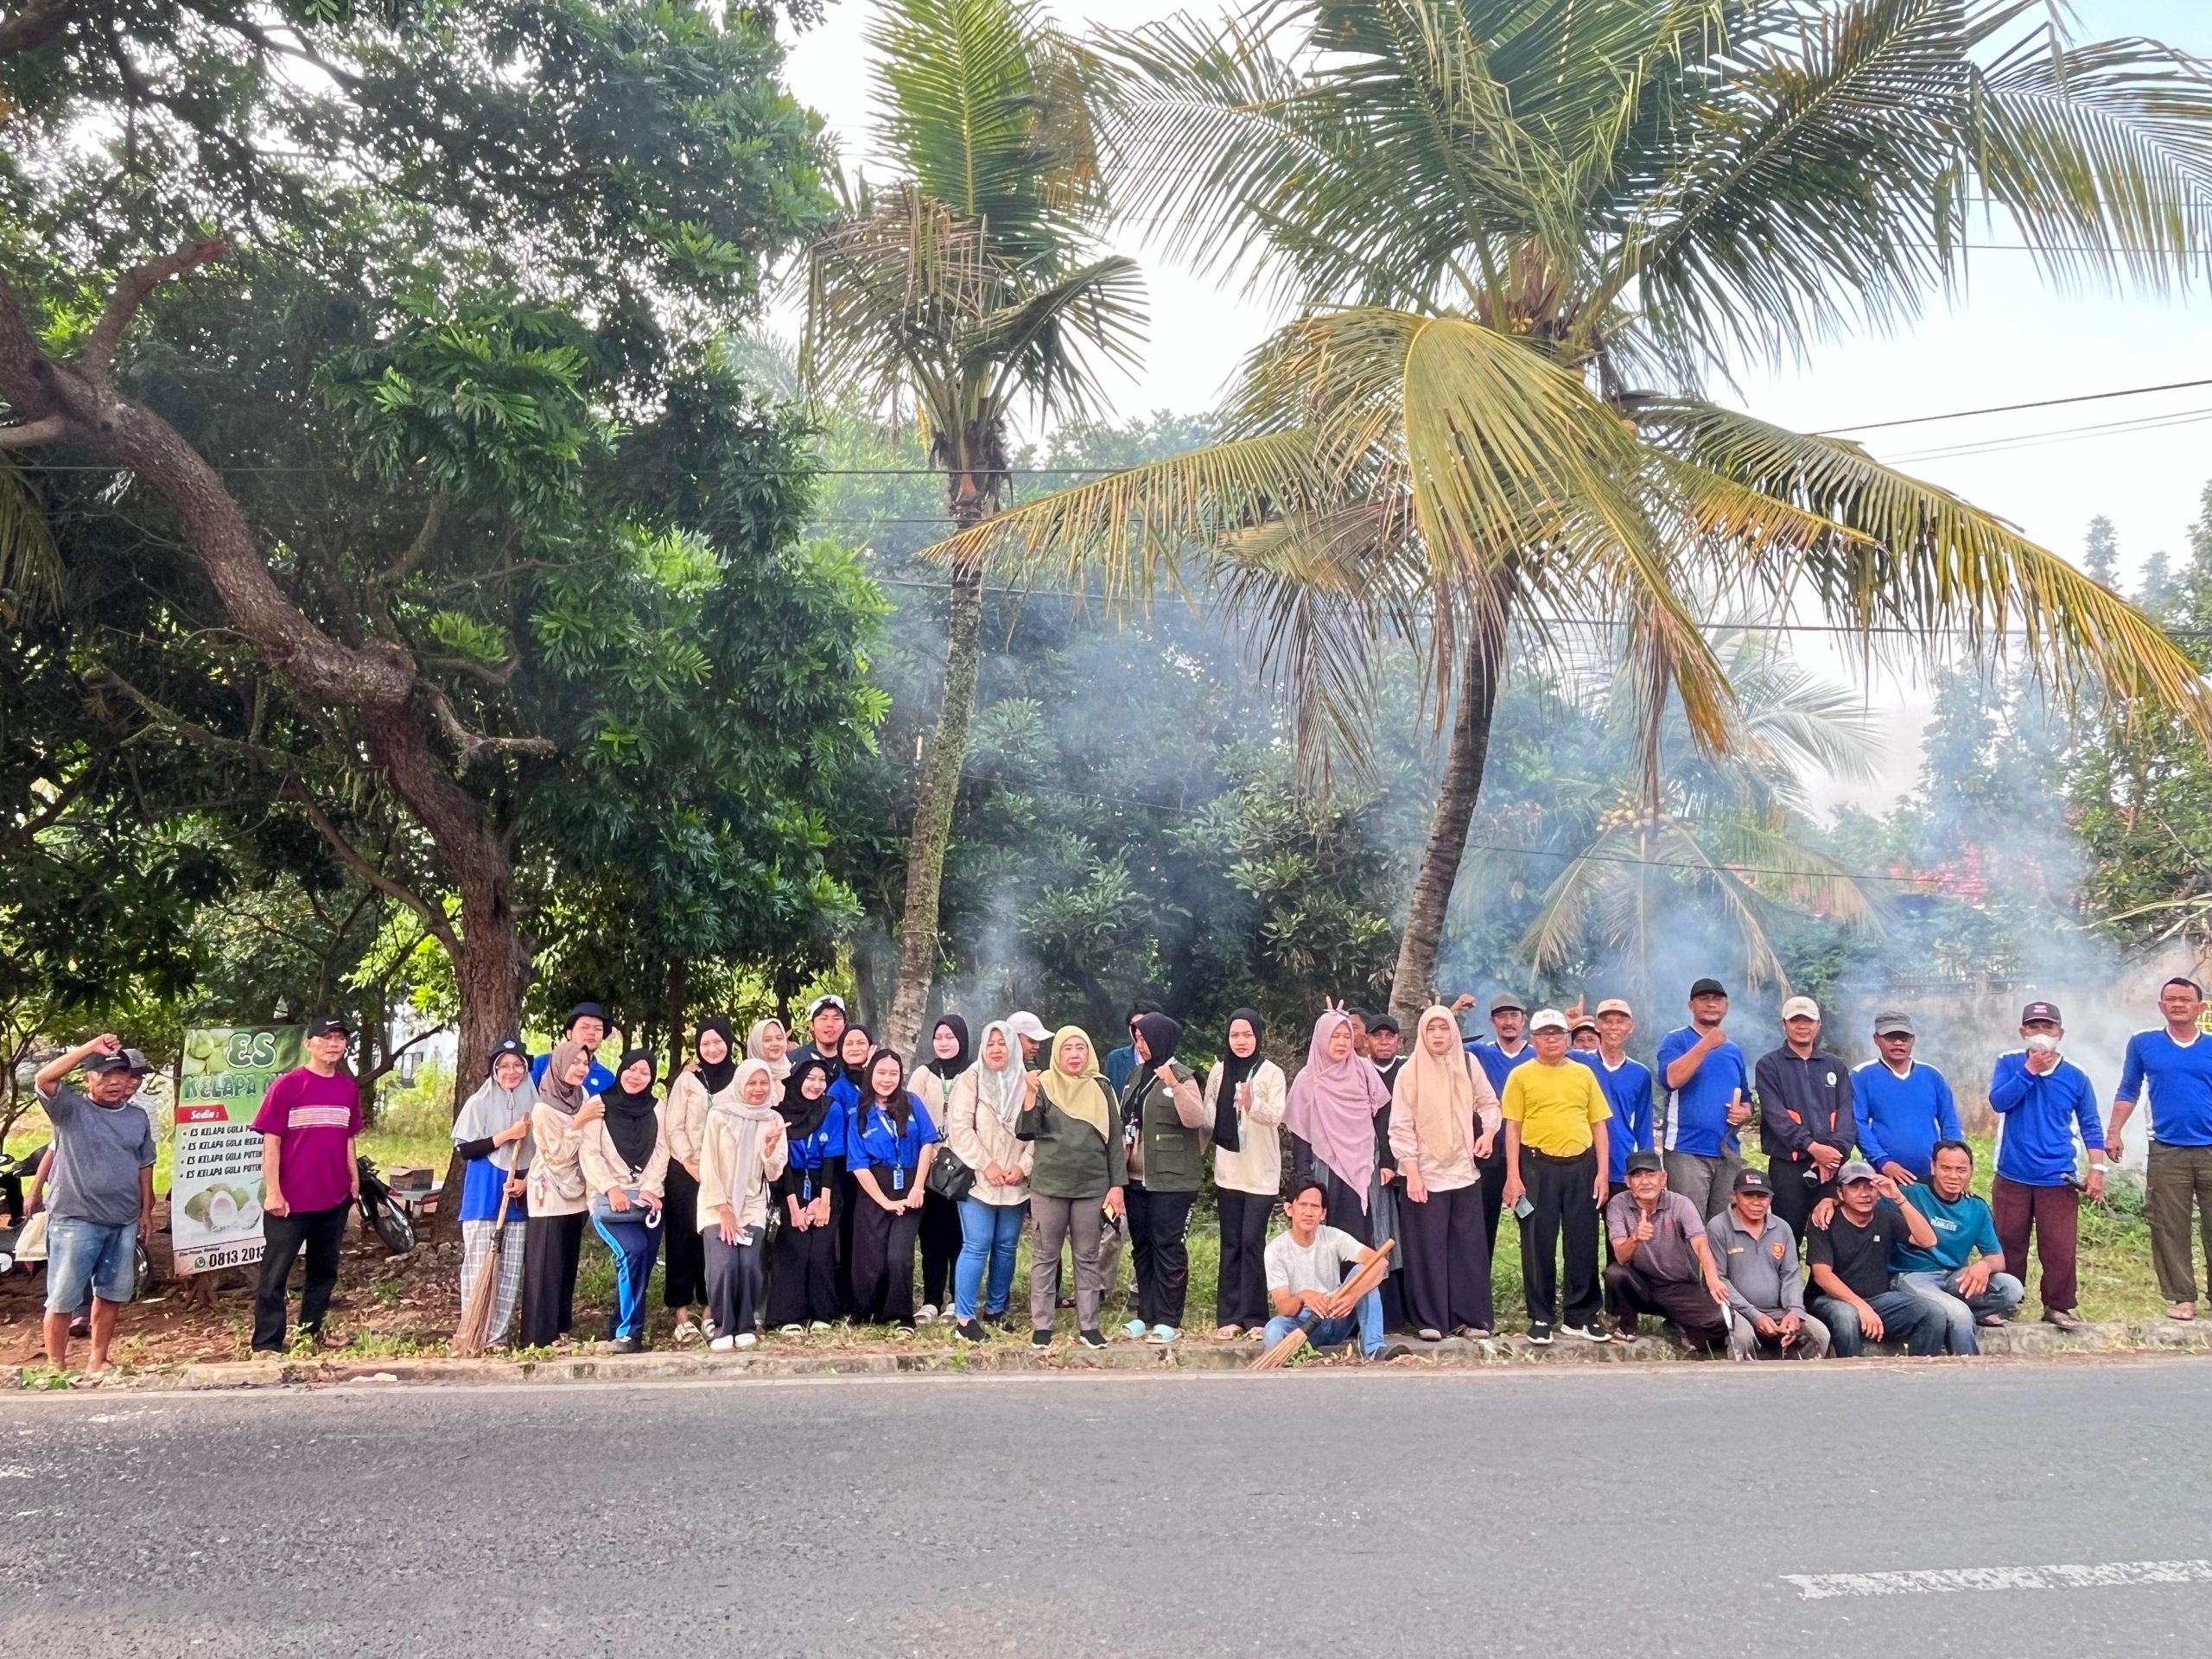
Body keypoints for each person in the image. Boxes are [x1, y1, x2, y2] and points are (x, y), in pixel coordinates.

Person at [29, 1035, 154, 1377]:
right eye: (104, 1075)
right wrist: (89, 1048)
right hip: (75, 1219)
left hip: (123, 1220)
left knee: (111, 1295)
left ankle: (98, 1360)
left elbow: (145, 1164)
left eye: (121, 1075)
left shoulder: (137, 1118)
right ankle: (56, 1367)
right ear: (88, 1079)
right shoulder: (70, 1109)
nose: (114, 1083)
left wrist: (145, 1212)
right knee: (63, 1297)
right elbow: (44, 1079)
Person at [1989, 1000, 2107, 1332]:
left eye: (2048, 1027)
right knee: (2008, 1240)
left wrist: (2097, 1169)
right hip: (2012, 1171)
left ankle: (2058, 1305)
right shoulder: (2009, 1062)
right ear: (2023, 1032)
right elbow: (1999, 1101)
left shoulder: (2076, 1075)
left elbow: (2091, 1125)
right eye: (2034, 1027)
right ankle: (2005, 1301)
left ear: (2060, 1033)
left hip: (2059, 1175)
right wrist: (2029, 1072)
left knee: (2059, 1246)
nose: (2041, 1034)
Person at [250, 1016, 362, 1354]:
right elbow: (272, 1141)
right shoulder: (287, 1085)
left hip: (334, 1198)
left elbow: (348, 1137)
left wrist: (353, 1178)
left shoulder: (346, 1088)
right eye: (326, 1037)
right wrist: (273, 1191)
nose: (333, 1044)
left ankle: (309, 1336)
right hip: (291, 1200)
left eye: (339, 1038)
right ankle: (267, 1344)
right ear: (309, 1044)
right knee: (275, 1274)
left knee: (323, 1273)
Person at [1501, 1008, 1612, 1344]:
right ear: (1533, 1040)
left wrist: (1603, 1173)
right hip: (1536, 1166)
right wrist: (1513, 1176)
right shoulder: (1520, 1075)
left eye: (1558, 1033)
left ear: (1568, 1037)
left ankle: (1581, 1315)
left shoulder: (1583, 1073)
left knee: (1583, 1241)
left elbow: (1599, 1125)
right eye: (1544, 1034)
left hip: (1582, 1166)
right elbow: (1512, 1127)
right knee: (1538, 1243)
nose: (1551, 1039)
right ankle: (1541, 1316)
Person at [1389, 1005, 1501, 1340]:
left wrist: (1488, 1134)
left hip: (1465, 1171)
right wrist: (1412, 1172)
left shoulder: (1468, 1063)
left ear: (1454, 1031)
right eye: (1432, 1029)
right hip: (1425, 1172)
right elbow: (1400, 1125)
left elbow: (1489, 1103)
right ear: (1423, 1033)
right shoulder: (1410, 1071)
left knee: (1467, 1247)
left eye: (1444, 1028)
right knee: (1427, 1248)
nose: (1438, 1036)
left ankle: (1469, 1317)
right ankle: (1430, 1320)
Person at [1285, 1008, 1401, 1320]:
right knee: (1331, 1240)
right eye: (1334, 1036)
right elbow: (1300, 1133)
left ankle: (1372, 1315)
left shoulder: (1364, 1070)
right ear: (1322, 1039)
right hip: (1329, 1170)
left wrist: (1387, 1160)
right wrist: (1305, 1178)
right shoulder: (1308, 1079)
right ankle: (1333, 1314)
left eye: (1346, 1035)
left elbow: (1382, 1115)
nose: (1340, 1042)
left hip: (1366, 1167)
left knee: (1369, 1240)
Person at [2108, 976, 2212, 1320]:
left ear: (2200, 1007)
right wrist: (2114, 1132)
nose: (2178, 1004)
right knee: (2168, 1224)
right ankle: (2183, 1298)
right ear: (2161, 1005)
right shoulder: (2144, 1043)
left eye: (2185, 999)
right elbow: (2128, 1090)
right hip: (2167, 1150)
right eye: (2171, 999)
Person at [1018, 1026, 1124, 1349]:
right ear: (1058, 1053)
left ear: (1089, 1051)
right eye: (1067, 1048)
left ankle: (1089, 1326)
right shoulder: (1044, 1083)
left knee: (1088, 1257)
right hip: (1049, 1185)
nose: (1075, 1054)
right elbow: (1025, 1131)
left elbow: (1115, 1141)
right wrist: (1030, 1093)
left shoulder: (1102, 1087)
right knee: (1045, 1256)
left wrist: (1117, 1185)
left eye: (1080, 1047)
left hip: (1092, 1186)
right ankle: (1042, 1326)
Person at [1888, 1140, 2025, 1353]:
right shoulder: (1911, 1192)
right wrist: (1831, 1202)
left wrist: (1984, 1266)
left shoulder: (1976, 1207)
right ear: (1933, 1167)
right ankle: (1968, 1370)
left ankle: (1956, 1311)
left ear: (1971, 1172)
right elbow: (1863, 1203)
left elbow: (1998, 1258)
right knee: (1959, 1314)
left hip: (1954, 1277)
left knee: (2011, 1288)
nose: (1953, 1176)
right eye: (1946, 1168)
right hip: (1911, 1276)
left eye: (1961, 1170)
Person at [1120, 1012, 1207, 1344]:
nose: (1139, 1045)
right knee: (1142, 1247)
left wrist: (1172, 1083)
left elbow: (1195, 1119)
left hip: (1172, 1180)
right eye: (1137, 1038)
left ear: (1160, 1039)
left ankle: (1170, 1319)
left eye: (1143, 1038)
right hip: (1136, 1178)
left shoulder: (1184, 1076)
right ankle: (1147, 1314)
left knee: (1168, 1248)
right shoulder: (1134, 1075)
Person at [944, 1020, 1034, 1342]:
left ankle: (996, 1310)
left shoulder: (1027, 1082)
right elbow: (960, 1129)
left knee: (1007, 1246)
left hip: (1015, 1180)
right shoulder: (971, 1080)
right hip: (979, 1180)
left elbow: (1039, 1131)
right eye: (991, 1043)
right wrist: (988, 1165)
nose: (997, 1049)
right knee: (977, 1244)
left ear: (1013, 1046)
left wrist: (1023, 1166)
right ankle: (965, 1319)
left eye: (1003, 1043)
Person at [1804, 1160, 1946, 1357]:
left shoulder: (1886, 1218)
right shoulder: (1824, 1220)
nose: (1863, 1194)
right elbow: (1822, 1276)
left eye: (1870, 1186)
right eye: (1854, 1187)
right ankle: (1854, 1377)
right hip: (1829, 1300)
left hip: (1878, 1300)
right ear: (1840, 1193)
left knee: (1933, 1313)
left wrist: (1899, 1199)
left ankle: (1919, 1376)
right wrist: (1860, 1306)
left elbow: (1928, 1240)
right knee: (1846, 1316)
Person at [579, 1049, 670, 1352]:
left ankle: (621, 1324)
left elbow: (662, 1152)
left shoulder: (657, 1108)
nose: (636, 1077)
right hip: (609, 1201)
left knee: (641, 1263)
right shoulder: (599, 1104)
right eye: (632, 1069)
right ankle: (628, 1332)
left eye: (645, 1073)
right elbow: (589, 1152)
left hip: (647, 1200)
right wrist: (611, 1188)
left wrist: (652, 1189)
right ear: (622, 1069)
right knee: (633, 1250)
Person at [1261, 1179, 1408, 1362]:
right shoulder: (1276, 1250)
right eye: (1303, 1205)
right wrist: (1303, 1296)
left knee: (1363, 1270)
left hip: (1337, 1314)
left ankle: (1375, 1348)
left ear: (1323, 1213)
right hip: (1302, 1323)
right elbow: (1284, 1307)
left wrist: (1352, 1297)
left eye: (1315, 1207)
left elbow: (1379, 1263)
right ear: (1290, 1209)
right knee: (1273, 1329)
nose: (1308, 1212)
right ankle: (1284, 1359)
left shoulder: (1332, 1236)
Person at [1205, 1008, 1287, 1339]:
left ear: (1258, 1036)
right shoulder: (1218, 1071)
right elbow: (1209, 1116)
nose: (1241, 1041)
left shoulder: (1271, 1073)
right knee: (1231, 1243)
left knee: (1252, 1241)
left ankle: (1254, 1316)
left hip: (1261, 1172)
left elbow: (1278, 1116)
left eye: (1247, 1035)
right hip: (1229, 1171)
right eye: (1235, 1035)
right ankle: (1228, 1316)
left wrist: (1253, 1104)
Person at [450, 1037, 535, 1349]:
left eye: (517, 1065)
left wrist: (526, 1181)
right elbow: (466, 1149)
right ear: (494, 1071)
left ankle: (496, 1336)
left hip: (519, 1191)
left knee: (510, 1269)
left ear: (526, 1070)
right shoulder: (479, 1103)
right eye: (503, 1066)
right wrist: (507, 1135)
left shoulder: (536, 1104)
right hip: (484, 1191)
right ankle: (472, 1330)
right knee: (478, 1264)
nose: (511, 1072)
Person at [845, 1051, 938, 1332]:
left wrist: (918, 1188)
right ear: (871, 1074)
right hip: (874, 1188)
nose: (887, 1079)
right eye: (881, 1073)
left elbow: (927, 1144)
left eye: (893, 1073)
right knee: (871, 1257)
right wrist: (883, 1201)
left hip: (910, 1187)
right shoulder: (859, 1113)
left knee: (899, 1255)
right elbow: (858, 1165)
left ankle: (900, 1317)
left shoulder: (912, 1103)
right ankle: (868, 1312)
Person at [698, 1057, 786, 1351]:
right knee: (724, 1264)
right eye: (752, 1083)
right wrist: (723, 1209)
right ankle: (724, 1327)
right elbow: (708, 1166)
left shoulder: (772, 1119)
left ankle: (746, 1324)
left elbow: (774, 1172)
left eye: (764, 1083)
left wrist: (771, 1148)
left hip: (751, 1204)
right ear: (740, 1084)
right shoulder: (719, 1115)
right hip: (716, 1203)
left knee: (748, 1264)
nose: (759, 1089)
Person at [1603, 1151, 1729, 1351]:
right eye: (1637, 1175)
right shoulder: (1618, 1204)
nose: (1645, 1181)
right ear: (1628, 1181)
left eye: (1651, 1174)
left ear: (1663, 1178)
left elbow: (1700, 1243)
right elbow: (1620, 1255)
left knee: (1719, 1322)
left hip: (1678, 1286)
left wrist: (1712, 1278)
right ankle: (1627, 1326)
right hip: (1641, 1284)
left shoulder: (1681, 1204)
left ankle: (1677, 1324)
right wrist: (1635, 1237)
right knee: (1615, 1273)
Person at [521, 1041, 601, 1348]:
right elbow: (557, 1154)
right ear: (558, 1065)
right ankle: (538, 1337)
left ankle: (559, 1328)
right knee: (545, 1263)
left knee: (566, 1263)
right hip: (548, 1193)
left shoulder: (581, 1096)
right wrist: (581, 1120)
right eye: (575, 1063)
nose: (581, 1069)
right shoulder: (543, 1108)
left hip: (576, 1191)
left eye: (585, 1063)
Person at [661, 1017, 736, 1342]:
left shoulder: (739, 1078)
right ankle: (680, 1314)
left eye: (718, 1042)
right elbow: (672, 1125)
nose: (712, 1048)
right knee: (682, 1241)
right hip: (685, 1171)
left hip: (725, 1171)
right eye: (705, 1043)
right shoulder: (688, 1080)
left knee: (713, 1240)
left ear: (729, 1043)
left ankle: (709, 1310)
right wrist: (690, 1162)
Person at [1756, 995, 1854, 1242]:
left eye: (1808, 1020)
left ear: (1818, 1025)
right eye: (1795, 1020)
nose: (1802, 1026)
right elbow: (1775, 1116)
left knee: (1834, 1234)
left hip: (1831, 1167)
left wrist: (1833, 1154)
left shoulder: (1835, 1066)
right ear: (1784, 1024)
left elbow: (1846, 1117)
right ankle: (1786, 1281)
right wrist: (1812, 1147)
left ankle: (1822, 1281)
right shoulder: (1769, 1065)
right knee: (1787, 1235)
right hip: (1788, 1166)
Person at [1707, 1168, 1829, 1359]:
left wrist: (1794, 1311)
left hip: (1778, 1310)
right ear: (1734, 1196)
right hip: (1737, 1310)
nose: (1756, 1202)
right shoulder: (1718, 1227)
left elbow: (1790, 1274)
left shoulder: (1782, 1228)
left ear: (1771, 1198)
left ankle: (1796, 1379)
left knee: (1820, 1335)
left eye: (1762, 1196)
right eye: (1748, 1195)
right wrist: (1754, 1315)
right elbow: (1719, 1279)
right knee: (1743, 1337)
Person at [1656, 977, 1751, 1219]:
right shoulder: (1676, 1040)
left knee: (1722, 1229)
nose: (1711, 1004)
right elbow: (1671, 1079)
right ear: (1691, 1006)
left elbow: (1747, 1098)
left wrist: (1744, 1112)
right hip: (1687, 1150)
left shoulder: (1733, 1050)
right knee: (1689, 1227)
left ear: (1726, 1006)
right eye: (1703, 999)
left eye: (1717, 999)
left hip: (1727, 1151)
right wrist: (1705, 1045)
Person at [766, 1056, 843, 1332]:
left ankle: (823, 1313)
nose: (816, 1085)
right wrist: (796, 1207)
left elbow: (832, 1158)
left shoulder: (831, 1109)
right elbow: (782, 1163)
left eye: (822, 1079)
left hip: (825, 1184)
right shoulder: (779, 1114)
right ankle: (787, 1316)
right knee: (795, 1246)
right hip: (790, 1186)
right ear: (798, 1079)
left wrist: (823, 1202)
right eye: (810, 1078)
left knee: (821, 1248)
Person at [1454, 991, 1531, 1251]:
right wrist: (1453, 1012)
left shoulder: (1537, 1055)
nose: (1508, 1021)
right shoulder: (1479, 1053)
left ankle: (1536, 1289)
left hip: (1528, 1151)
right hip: (1490, 1151)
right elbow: (1442, 1045)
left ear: (1524, 1020)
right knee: (1483, 1223)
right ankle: (1478, 1289)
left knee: (1531, 1222)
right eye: (1501, 1016)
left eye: (1513, 1015)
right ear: (1492, 1021)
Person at [1852, 1011, 1962, 1185]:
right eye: (1890, 1037)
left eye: (1904, 1038)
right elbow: (1858, 1123)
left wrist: (1954, 1163)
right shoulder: (1861, 1076)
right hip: (1884, 1176)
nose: (1897, 1043)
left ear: (1913, 1039)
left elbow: (1950, 1121)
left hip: (1931, 1176)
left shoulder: (1932, 1075)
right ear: (1876, 1039)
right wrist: (1883, 1160)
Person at [909, 1015, 971, 1322]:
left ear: (962, 1038)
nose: (944, 1042)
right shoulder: (923, 1074)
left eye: (950, 1036)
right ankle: (931, 1299)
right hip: (930, 1164)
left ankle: (956, 1299)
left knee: (961, 1235)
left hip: (965, 1165)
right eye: (939, 1037)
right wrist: (930, 1150)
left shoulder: (973, 1073)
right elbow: (912, 1115)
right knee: (931, 1236)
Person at [1572, 997, 1652, 1205]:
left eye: (1620, 1021)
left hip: (1621, 1162)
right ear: (1598, 1026)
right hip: (1583, 1161)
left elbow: (1643, 1125)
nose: (1614, 1027)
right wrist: (1569, 1027)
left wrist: (1648, 1168)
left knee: (1620, 1233)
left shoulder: (1640, 1073)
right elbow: (1544, 1053)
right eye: (1607, 1021)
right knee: (1582, 1234)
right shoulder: (1578, 1062)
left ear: (1630, 1027)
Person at [531, 1002, 615, 1094]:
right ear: (569, 1034)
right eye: (584, 1027)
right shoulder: (542, 1064)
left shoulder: (607, 1078)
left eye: (598, 1029)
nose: (591, 1032)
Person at [1103, 1003, 1158, 1101]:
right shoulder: (1115, 1059)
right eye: (1133, 1026)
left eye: (1143, 1024)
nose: (1137, 1031)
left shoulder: (1167, 1061)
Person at [787, 994, 848, 1069]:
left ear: (844, 1024)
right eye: (823, 1019)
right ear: (811, 1025)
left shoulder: (853, 1058)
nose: (830, 1024)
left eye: (836, 1018)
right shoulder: (795, 1059)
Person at [1367, 1016, 1405, 1093]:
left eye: (1389, 1036)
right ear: (1366, 1041)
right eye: (1377, 1036)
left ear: (1399, 1042)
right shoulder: (1358, 1069)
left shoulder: (1409, 1068)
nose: (1384, 1042)